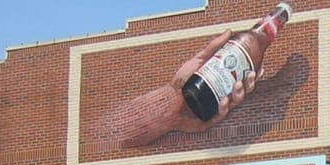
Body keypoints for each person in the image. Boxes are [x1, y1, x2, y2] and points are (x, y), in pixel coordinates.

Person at [101, 30, 261, 149]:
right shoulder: (249, 37)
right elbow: (109, 137)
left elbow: (110, 138)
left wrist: (179, 115)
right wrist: (177, 96)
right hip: (196, 87)